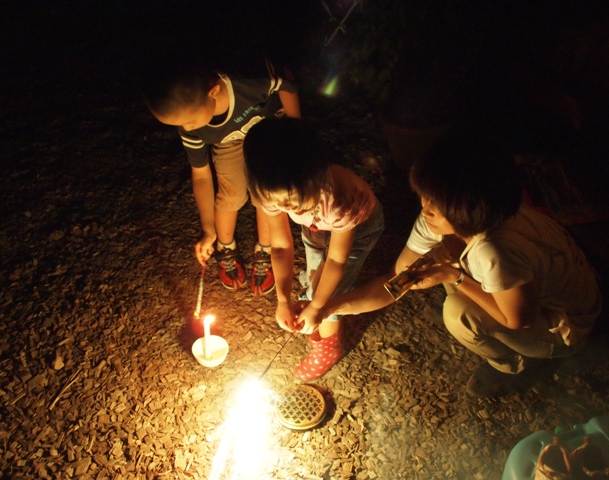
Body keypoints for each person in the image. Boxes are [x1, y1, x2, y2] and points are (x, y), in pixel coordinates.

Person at [324, 135, 603, 397]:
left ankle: (512, 367)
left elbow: (519, 320)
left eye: (437, 203)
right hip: (521, 289)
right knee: (441, 257)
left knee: (458, 314)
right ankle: (469, 296)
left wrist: (454, 276)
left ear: (468, 208)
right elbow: (399, 279)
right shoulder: (447, 219)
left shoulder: (495, 250)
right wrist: (328, 307)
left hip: (563, 323)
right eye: (425, 196)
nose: (425, 209)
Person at [143, 56, 301, 295]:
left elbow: (285, 80)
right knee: (231, 192)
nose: (188, 128)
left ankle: (266, 250)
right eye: (181, 124)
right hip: (228, 141)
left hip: (267, 129)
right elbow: (201, 175)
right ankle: (225, 246)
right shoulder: (191, 126)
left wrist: (297, 128)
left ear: (213, 91)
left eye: (190, 121)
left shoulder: (248, 80)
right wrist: (208, 230)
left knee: (267, 192)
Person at [243, 117, 385, 381]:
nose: (288, 209)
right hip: (316, 229)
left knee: (332, 291)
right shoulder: (272, 189)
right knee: (314, 278)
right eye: (281, 205)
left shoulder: (341, 200)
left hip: (358, 230)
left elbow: (337, 261)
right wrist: (283, 300)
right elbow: (282, 246)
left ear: (317, 176)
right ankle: (314, 296)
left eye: (295, 202)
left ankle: (328, 350)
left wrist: (319, 305)